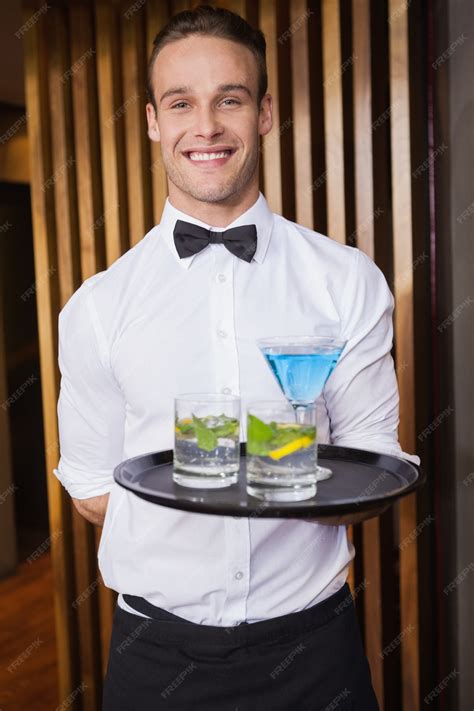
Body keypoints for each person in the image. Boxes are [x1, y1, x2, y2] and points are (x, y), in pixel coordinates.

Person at [53, 5, 419, 710]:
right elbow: (93, 488)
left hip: (317, 648)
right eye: (181, 103)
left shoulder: (346, 280)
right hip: (156, 658)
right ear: (155, 121)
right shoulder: (97, 306)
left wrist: (287, 485)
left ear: (265, 114)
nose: (207, 126)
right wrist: (205, 501)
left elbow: (376, 458)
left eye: (231, 99)